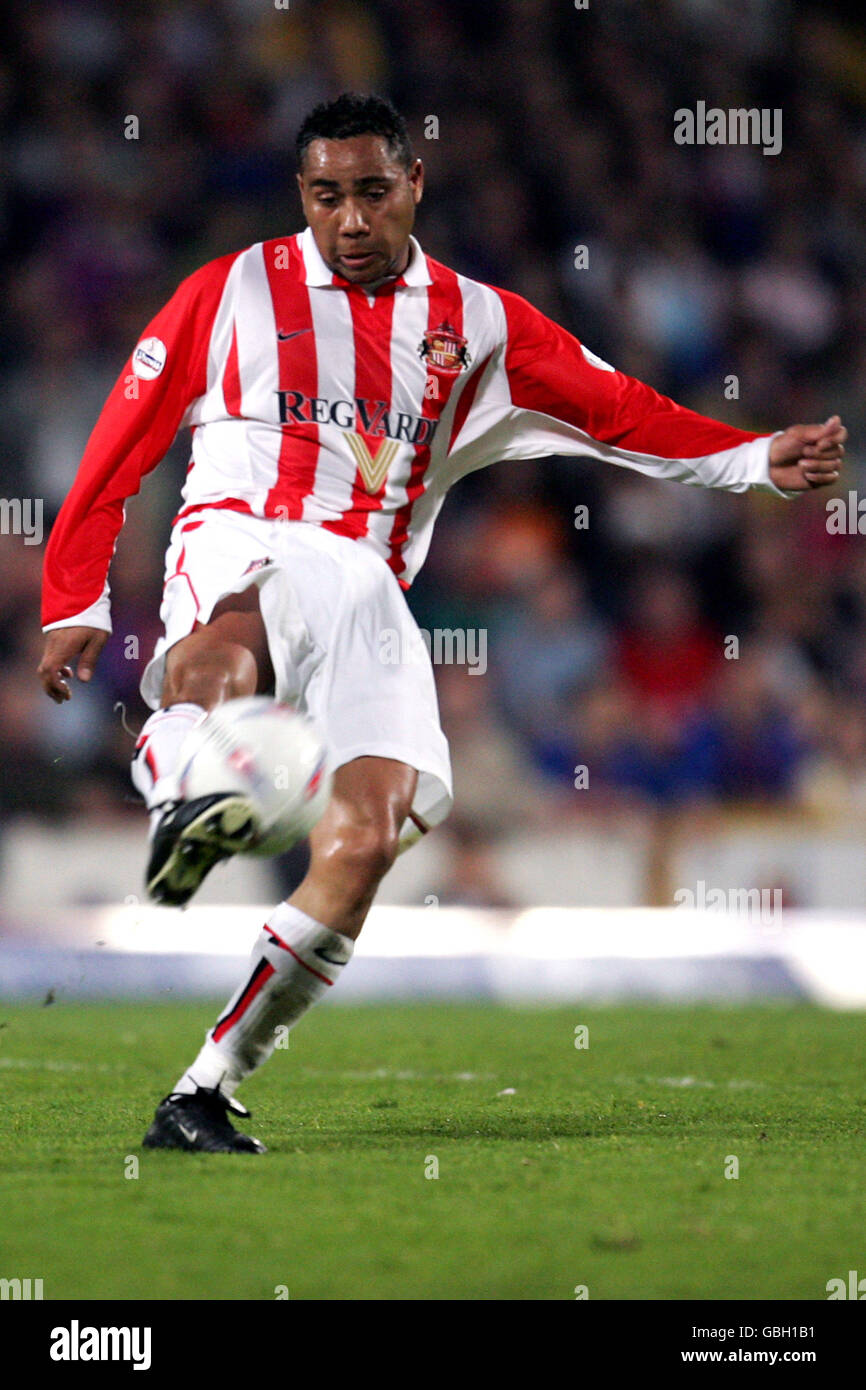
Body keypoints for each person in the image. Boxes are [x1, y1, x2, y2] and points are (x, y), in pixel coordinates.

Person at [37, 93, 846, 1154]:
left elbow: (614, 408)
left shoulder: (477, 325)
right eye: (327, 197)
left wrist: (750, 456)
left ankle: (205, 1086)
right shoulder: (231, 290)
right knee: (235, 633)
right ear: (302, 197)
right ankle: (188, 777)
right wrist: (74, 595)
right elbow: (124, 434)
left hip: (368, 584)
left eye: (373, 192)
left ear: (413, 183)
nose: (353, 220)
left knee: (367, 837)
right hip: (242, 533)